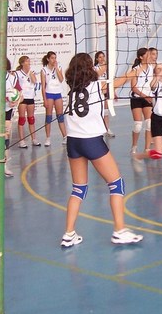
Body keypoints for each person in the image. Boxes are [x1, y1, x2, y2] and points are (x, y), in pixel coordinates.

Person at [60, 52, 144, 248]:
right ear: (90, 68)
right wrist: (133, 71)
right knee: (117, 184)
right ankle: (119, 231)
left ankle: (69, 233)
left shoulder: (71, 91)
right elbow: (120, 81)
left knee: (78, 189)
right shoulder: (98, 87)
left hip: (73, 142)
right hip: (91, 142)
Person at [40, 51, 67, 146]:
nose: (54, 60)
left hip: (58, 93)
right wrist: (44, 99)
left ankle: (65, 137)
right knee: (48, 117)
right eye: (52, 58)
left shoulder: (58, 67)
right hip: (49, 94)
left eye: (55, 58)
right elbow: (43, 86)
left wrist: (56, 69)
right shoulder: (43, 70)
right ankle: (48, 138)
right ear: (48, 59)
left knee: (60, 116)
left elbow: (61, 79)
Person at [129, 47, 154, 155]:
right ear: (141, 57)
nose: (150, 57)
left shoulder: (151, 68)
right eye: (147, 55)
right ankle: (134, 146)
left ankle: (147, 148)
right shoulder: (135, 70)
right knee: (138, 125)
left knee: (149, 123)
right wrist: (145, 96)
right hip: (137, 98)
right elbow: (133, 88)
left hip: (148, 97)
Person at [15, 55, 40, 147]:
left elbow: (34, 81)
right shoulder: (17, 73)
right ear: (22, 63)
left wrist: (29, 73)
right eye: (27, 61)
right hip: (22, 98)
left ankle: (34, 139)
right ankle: (21, 140)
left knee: (31, 119)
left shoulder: (31, 72)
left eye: (29, 61)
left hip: (30, 97)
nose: (29, 63)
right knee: (22, 119)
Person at [94, 51, 115, 137]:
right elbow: (98, 75)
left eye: (103, 57)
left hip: (107, 91)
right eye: (100, 57)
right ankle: (99, 129)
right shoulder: (95, 68)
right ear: (96, 59)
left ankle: (107, 128)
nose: (102, 59)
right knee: (99, 111)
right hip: (98, 92)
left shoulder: (108, 68)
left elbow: (111, 80)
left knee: (106, 111)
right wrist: (105, 66)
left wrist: (113, 91)